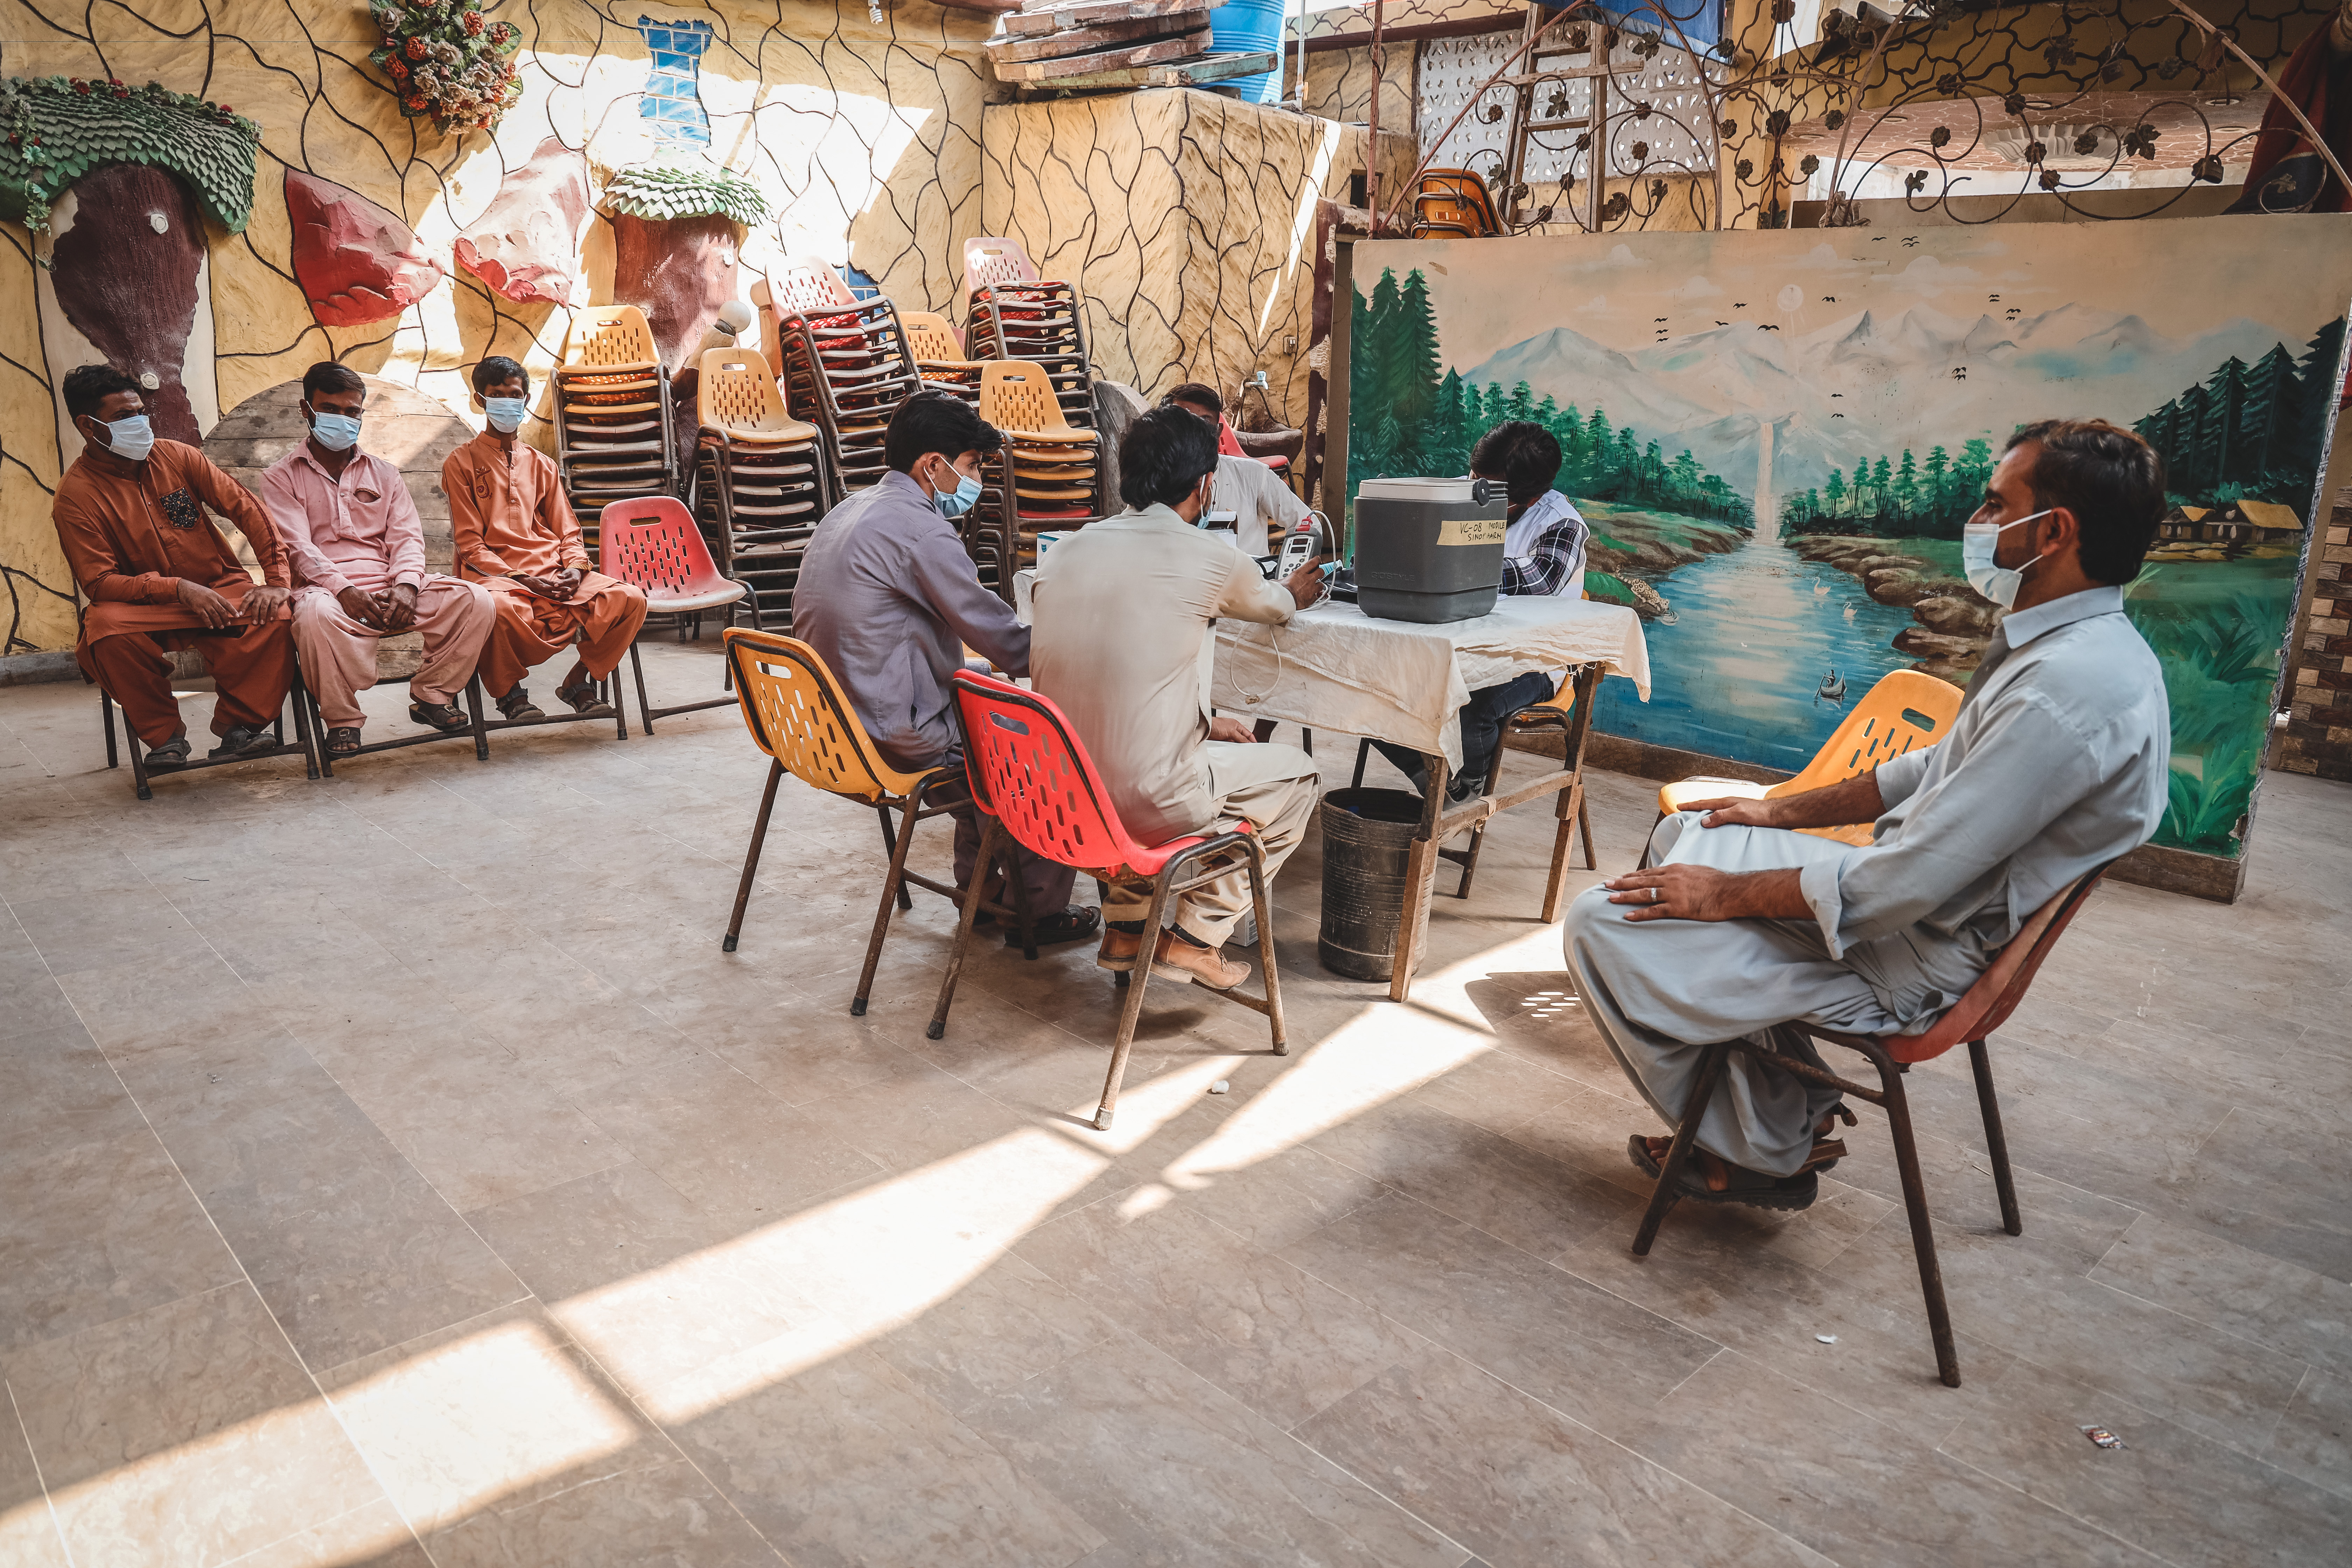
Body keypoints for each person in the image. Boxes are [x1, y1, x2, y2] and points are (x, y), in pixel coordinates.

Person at [1563, 418, 2171, 1212]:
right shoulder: (2071, 646)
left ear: (2054, 531)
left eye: (1996, 506)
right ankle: (1784, 1104)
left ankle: (1761, 1148)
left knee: (1599, 923)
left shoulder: (2066, 693)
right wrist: (1775, 811)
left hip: (1912, 956)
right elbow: (1924, 771)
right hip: (1911, 907)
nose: (1979, 524)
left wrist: (1718, 896)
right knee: (1699, 829)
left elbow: (1899, 886)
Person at [1029, 405, 1330, 989]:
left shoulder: (1065, 550)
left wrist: (1204, 724)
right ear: (1205, 486)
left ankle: (1128, 930)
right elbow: (1277, 607)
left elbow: (1112, 672)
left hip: (1062, 797)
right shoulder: (1213, 557)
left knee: (1123, 757)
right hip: (1147, 800)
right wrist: (1294, 590)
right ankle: (1194, 938)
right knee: (1298, 779)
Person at [793, 391, 1098, 946]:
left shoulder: (846, 512)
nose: (976, 479)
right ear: (932, 465)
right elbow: (1008, 644)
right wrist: (1088, 653)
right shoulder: (923, 532)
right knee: (1036, 749)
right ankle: (1037, 911)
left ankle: (979, 895)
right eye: (973, 466)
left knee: (982, 702)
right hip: (888, 732)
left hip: (825, 726)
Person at [50, 364, 296, 769]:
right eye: (124, 417)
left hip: (218, 587)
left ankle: (241, 727)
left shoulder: (177, 456)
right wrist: (178, 589)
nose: (139, 423)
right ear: (88, 426)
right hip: (147, 607)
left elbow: (248, 510)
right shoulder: (75, 496)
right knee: (105, 631)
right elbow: (99, 582)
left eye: (140, 412)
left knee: (276, 613)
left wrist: (277, 579)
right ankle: (165, 739)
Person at [262, 362, 495, 757]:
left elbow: (407, 536)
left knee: (476, 601)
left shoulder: (385, 474)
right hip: (328, 592)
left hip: (391, 586)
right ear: (307, 410)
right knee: (313, 618)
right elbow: (297, 548)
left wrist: (405, 585)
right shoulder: (280, 477)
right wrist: (345, 590)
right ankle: (342, 721)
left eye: (352, 412)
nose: (343, 419)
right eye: (331, 409)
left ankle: (433, 695)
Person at [1371, 419, 1591, 803]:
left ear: (1528, 498)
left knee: (1476, 710)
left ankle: (1468, 785)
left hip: (1532, 657)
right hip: (1459, 641)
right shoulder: (1459, 493)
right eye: (1473, 475)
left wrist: (1444, 564)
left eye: (1486, 486)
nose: (1473, 489)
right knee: (1368, 687)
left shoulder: (1561, 524)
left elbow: (1540, 581)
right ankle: (1436, 780)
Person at [443, 356, 648, 720]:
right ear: (480, 400)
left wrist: (575, 568)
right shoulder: (459, 463)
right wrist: (524, 580)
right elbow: (470, 544)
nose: (508, 402)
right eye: (497, 394)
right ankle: (509, 694)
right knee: (497, 611)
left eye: (515, 394)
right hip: (499, 579)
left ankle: (578, 680)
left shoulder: (543, 464)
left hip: (553, 573)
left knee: (629, 598)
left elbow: (568, 530)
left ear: (526, 399)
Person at [1162, 383, 1308, 556]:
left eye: (1204, 423)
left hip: (1256, 582)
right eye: (1185, 423)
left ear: (1218, 431)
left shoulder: (1254, 475)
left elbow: (1307, 522)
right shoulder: (1152, 486)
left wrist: (1287, 572)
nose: (1195, 433)